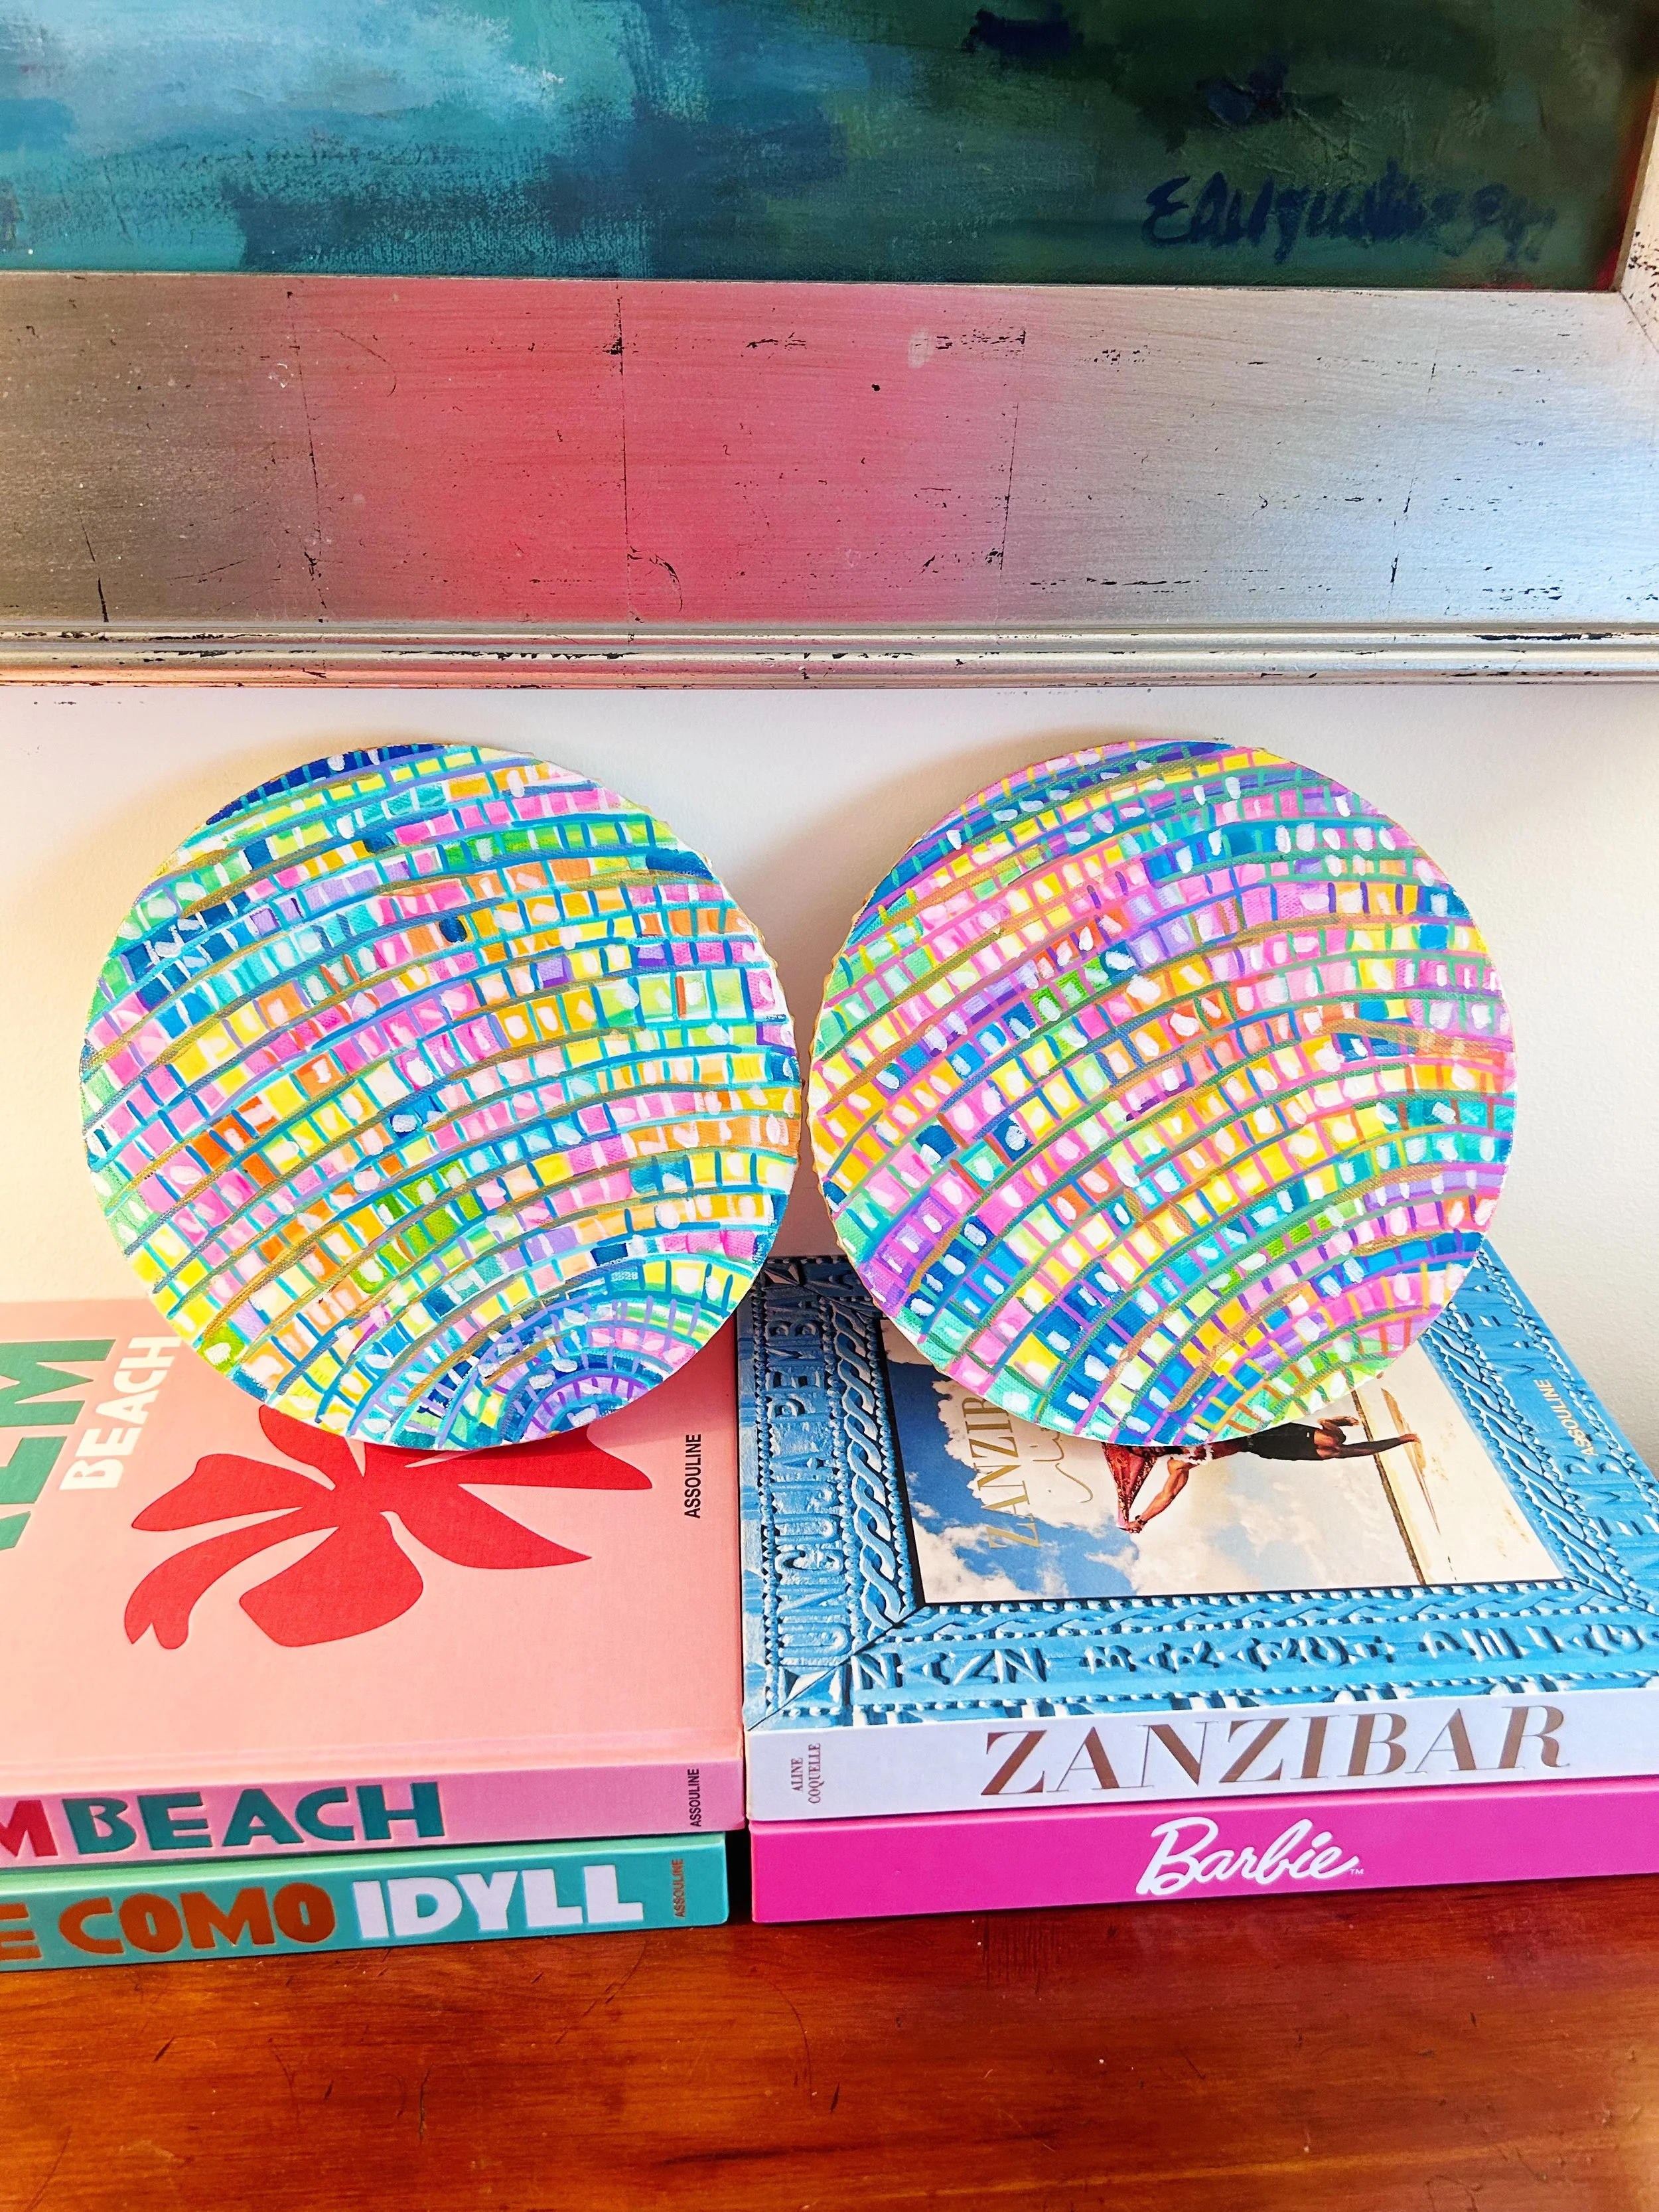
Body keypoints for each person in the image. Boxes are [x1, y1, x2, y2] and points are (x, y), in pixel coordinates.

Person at [1114, 1416, 1420, 1534]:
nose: (1151, 1454)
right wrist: (1141, 1519)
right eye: (1147, 1456)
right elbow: (1166, 1495)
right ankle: (1405, 1439)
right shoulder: (1178, 1465)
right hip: (1259, 1448)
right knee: (1336, 1453)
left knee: (1333, 1441)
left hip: (1263, 1430)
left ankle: (1331, 1422)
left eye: (1147, 1450)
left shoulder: (1183, 1428)